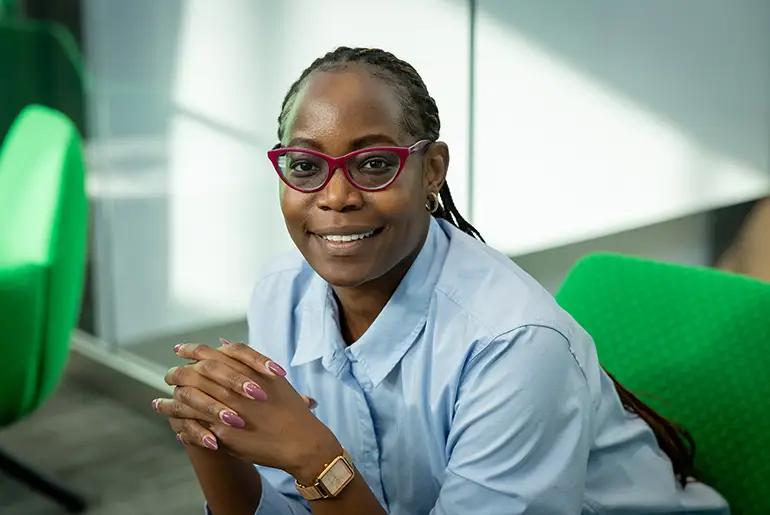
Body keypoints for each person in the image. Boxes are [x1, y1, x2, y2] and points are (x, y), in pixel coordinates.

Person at [151, 47, 729, 515]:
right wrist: (211, 441)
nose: (335, 197)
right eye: (305, 167)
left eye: (374, 163)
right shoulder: (281, 289)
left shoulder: (513, 344)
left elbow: (318, 481)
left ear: (431, 170)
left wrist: (315, 460)